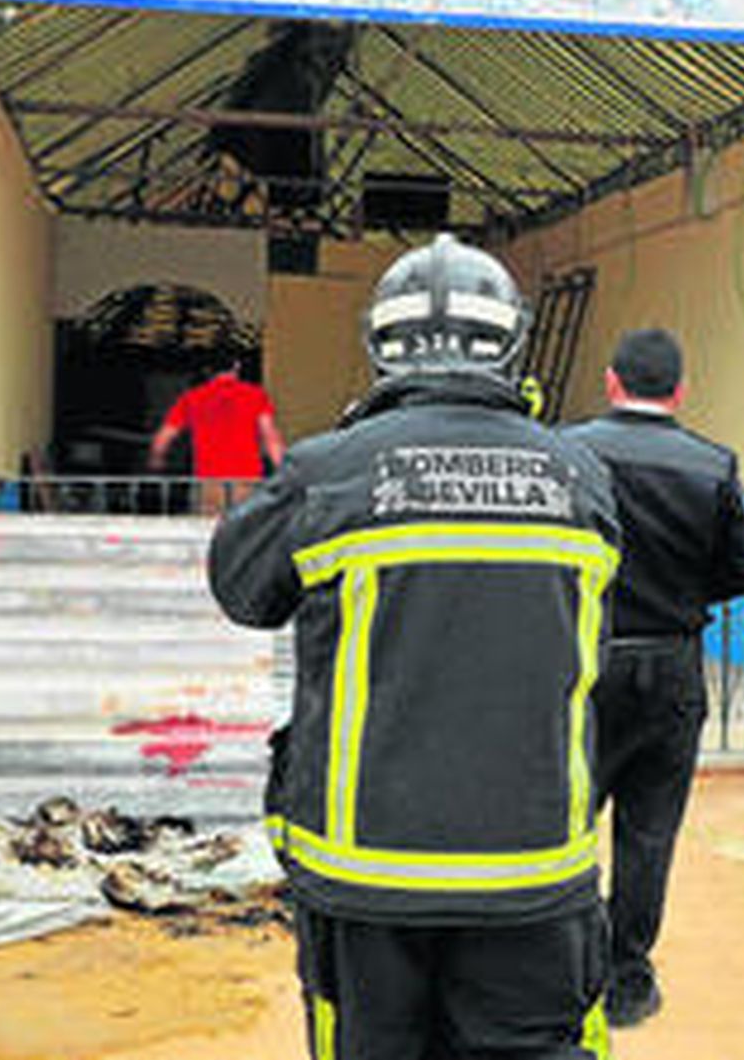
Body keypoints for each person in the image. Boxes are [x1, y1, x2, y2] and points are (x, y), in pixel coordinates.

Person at [208, 234, 622, 1060]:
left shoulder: (328, 471)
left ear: (380, 347)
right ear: (511, 340)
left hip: (364, 873)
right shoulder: (582, 477)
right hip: (533, 869)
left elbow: (241, 590)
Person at [563, 329, 744, 1028]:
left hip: (586, 656)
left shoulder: (568, 452)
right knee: (649, 832)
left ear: (612, 381)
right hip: (673, 663)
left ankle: (562, 963)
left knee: (567, 817)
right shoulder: (713, 464)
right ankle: (627, 977)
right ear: (678, 391)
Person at [150, 356, 285, 512]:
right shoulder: (255, 396)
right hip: (247, 479)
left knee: (207, 533)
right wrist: (283, 470)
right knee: (246, 533)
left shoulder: (192, 398)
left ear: (208, 372)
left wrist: (156, 462)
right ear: (236, 366)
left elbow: (163, 438)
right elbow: (270, 437)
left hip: (208, 479)